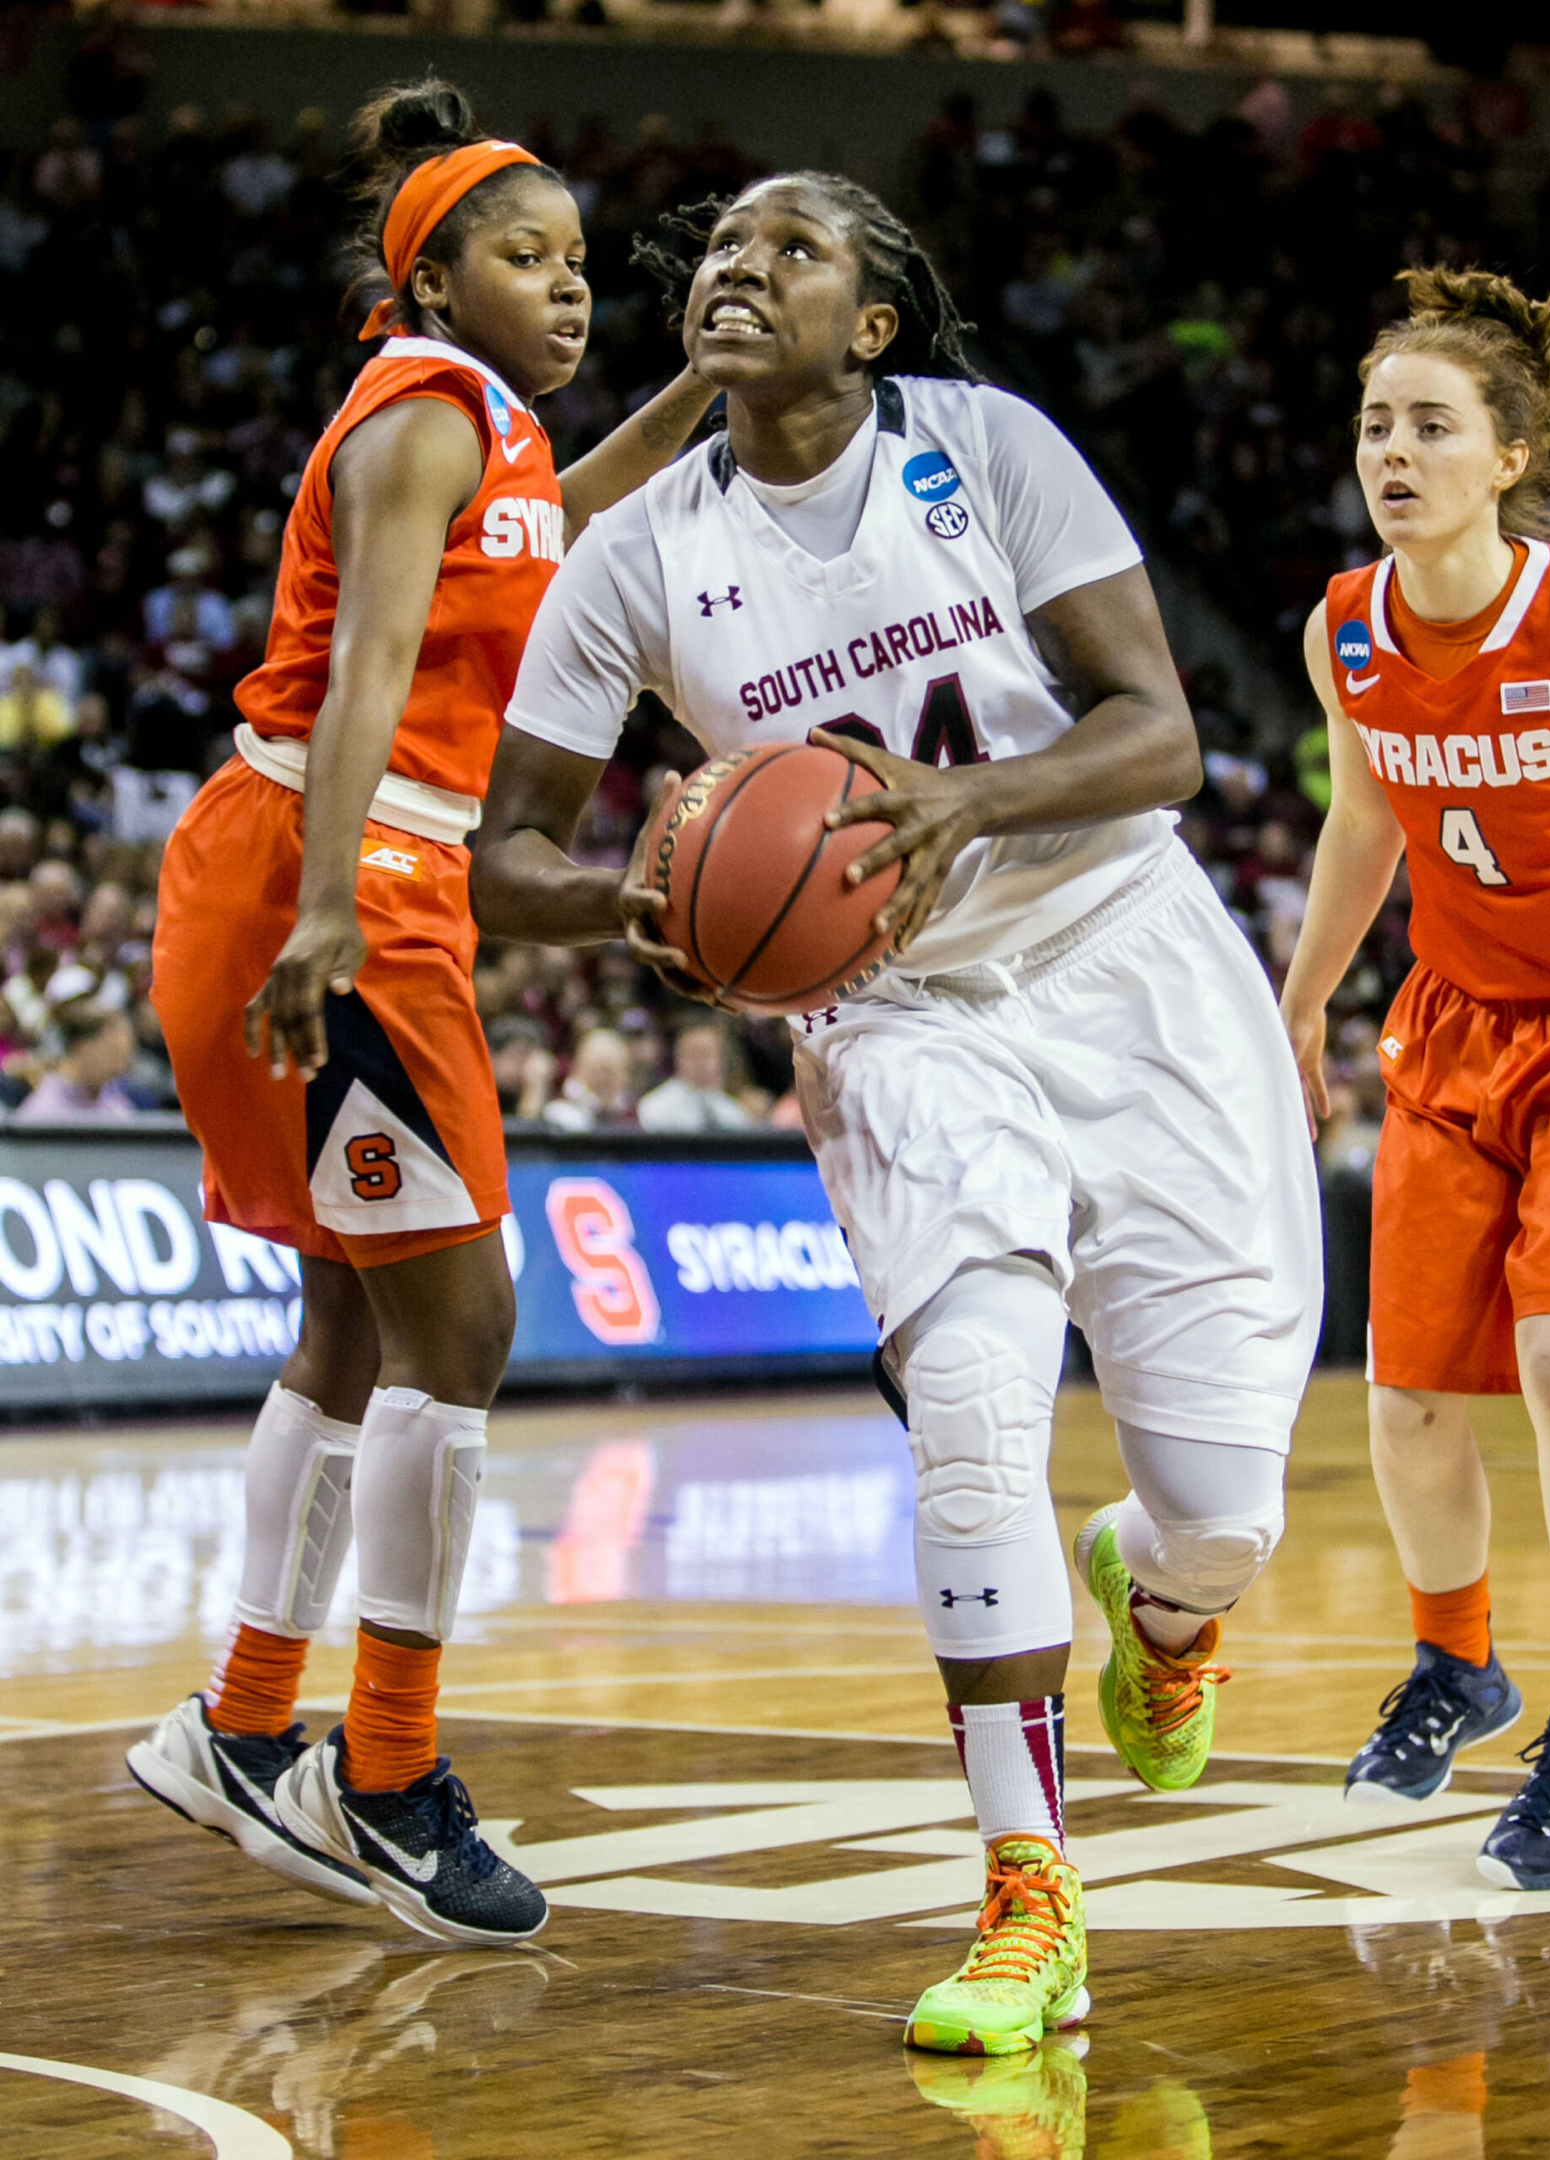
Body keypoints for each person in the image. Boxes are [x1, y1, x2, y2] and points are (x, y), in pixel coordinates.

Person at [472, 171, 1319, 2051]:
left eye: (793, 248)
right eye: (716, 250)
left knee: (1226, 1510)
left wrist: (958, 806)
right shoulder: (631, 557)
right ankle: (1028, 1895)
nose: (734, 271)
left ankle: (1165, 1612)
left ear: (871, 324)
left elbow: (1159, 734)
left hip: (1123, 952)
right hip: (899, 1009)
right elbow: (502, 846)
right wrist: (646, 900)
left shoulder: (986, 452)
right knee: (969, 1405)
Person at [127, 77, 714, 1948]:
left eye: (573, 264)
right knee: (459, 1320)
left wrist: (705, 387)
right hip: (343, 869)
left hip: (349, 866)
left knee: (357, 1325)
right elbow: (374, 657)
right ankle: (377, 1774)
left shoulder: (493, 435)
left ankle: (237, 1728)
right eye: (523, 261)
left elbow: (567, 514)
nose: (566, 290)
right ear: (433, 280)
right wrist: (320, 912)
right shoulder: (416, 419)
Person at [1280, 267, 1550, 1889]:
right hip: (1448, 1031)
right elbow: (1365, 822)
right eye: (1375, 424)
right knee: (1410, 1392)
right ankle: (1455, 1663)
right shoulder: (1342, 627)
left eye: (1431, 425)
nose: (1394, 451)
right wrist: (1296, 1007)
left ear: (1507, 456)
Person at [13, 1003, 136, 1122]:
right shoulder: (43, 1112)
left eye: (124, 1058)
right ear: (80, 1046)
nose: (119, 1068)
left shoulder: (116, 1105)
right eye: (113, 1055)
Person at [637, 1017, 751, 1131]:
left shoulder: (732, 1110)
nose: (700, 1062)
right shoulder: (654, 1108)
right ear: (676, 1058)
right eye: (692, 1054)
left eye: (706, 1053)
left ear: (722, 1058)